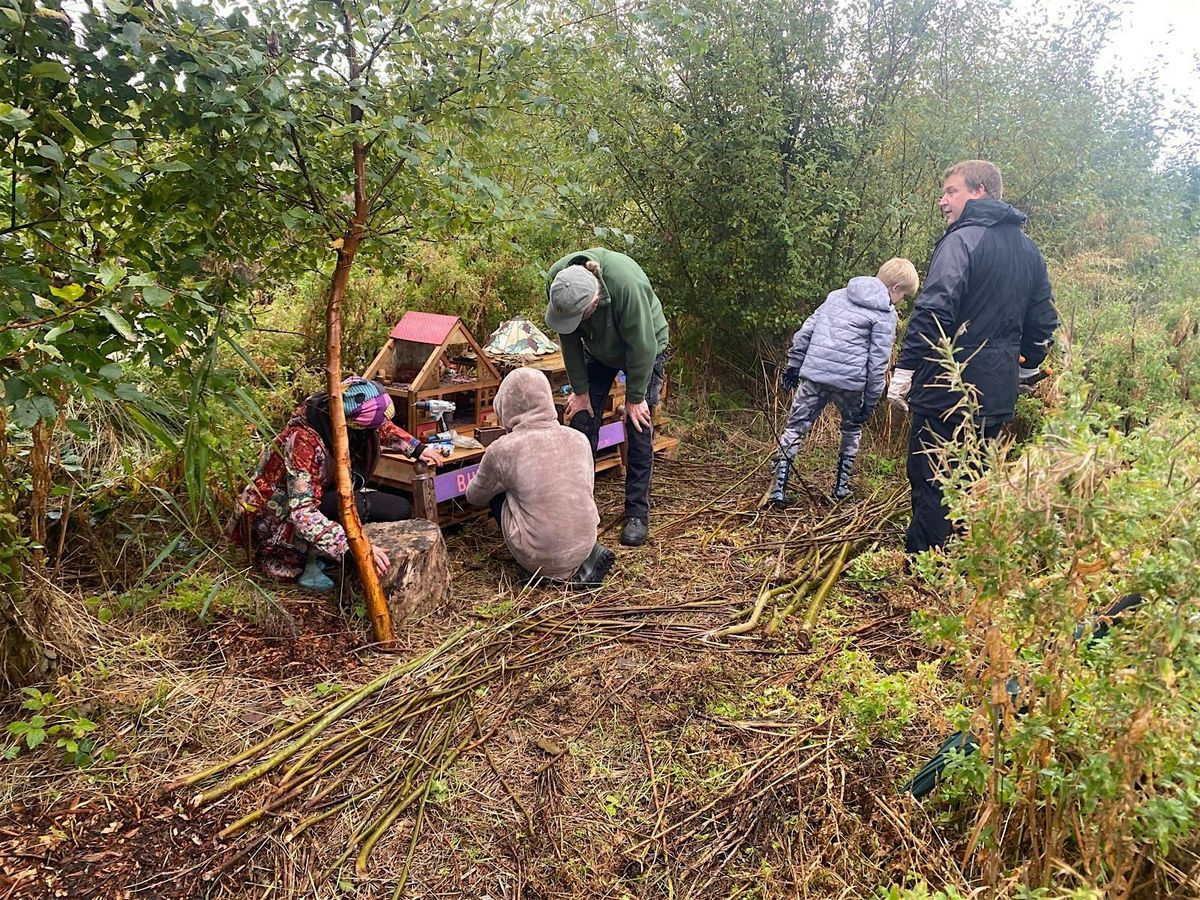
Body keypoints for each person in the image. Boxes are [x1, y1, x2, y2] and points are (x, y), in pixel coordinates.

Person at [888, 159, 1058, 553]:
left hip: (947, 390)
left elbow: (934, 309)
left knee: (933, 479)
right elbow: (1044, 321)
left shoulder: (962, 240)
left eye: (951, 191)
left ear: (979, 192)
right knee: (975, 481)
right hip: (995, 395)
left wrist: (905, 369)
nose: (942, 201)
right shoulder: (1029, 250)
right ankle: (963, 570)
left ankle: (924, 577)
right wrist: (1027, 368)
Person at [229, 377, 443, 590]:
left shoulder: (347, 415)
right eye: (366, 430)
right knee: (348, 515)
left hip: (327, 495)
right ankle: (304, 559)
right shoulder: (303, 442)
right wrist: (350, 546)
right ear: (348, 425)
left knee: (399, 508)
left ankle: (322, 552)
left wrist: (416, 448)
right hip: (279, 516)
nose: (372, 434)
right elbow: (302, 512)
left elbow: (381, 426)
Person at [544, 248, 669, 547]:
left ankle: (637, 513)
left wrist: (635, 398)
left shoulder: (626, 286)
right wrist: (581, 391)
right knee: (581, 417)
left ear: (595, 302)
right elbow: (569, 338)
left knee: (638, 424)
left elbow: (642, 345)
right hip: (597, 350)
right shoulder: (559, 282)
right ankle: (575, 506)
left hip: (643, 346)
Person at [769, 258, 920, 506]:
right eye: (904, 294)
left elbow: (806, 330)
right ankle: (840, 487)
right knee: (852, 429)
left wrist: (793, 366)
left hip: (815, 376)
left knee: (795, 428)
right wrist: (870, 402)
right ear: (895, 288)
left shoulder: (837, 295)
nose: (901, 300)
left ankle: (778, 487)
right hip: (850, 384)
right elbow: (877, 363)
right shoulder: (885, 314)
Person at [465, 368, 614, 587]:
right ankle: (582, 560)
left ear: (505, 405)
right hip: (585, 541)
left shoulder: (503, 450)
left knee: (499, 491)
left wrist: (492, 469)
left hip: (539, 556)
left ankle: (536, 569)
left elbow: (474, 497)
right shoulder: (579, 438)